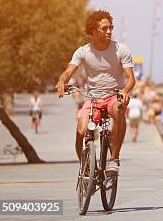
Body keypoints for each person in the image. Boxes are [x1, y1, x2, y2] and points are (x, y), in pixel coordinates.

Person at [56, 10, 135, 175]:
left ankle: (114, 159)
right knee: (81, 130)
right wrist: (62, 81)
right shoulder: (83, 51)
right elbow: (69, 71)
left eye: (111, 28)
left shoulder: (121, 49)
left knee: (119, 110)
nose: (109, 31)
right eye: (104, 28)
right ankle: (85, 166)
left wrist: (126, 91)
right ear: (93, 31)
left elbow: (130, 78)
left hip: (113, 96)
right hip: (92, 99)